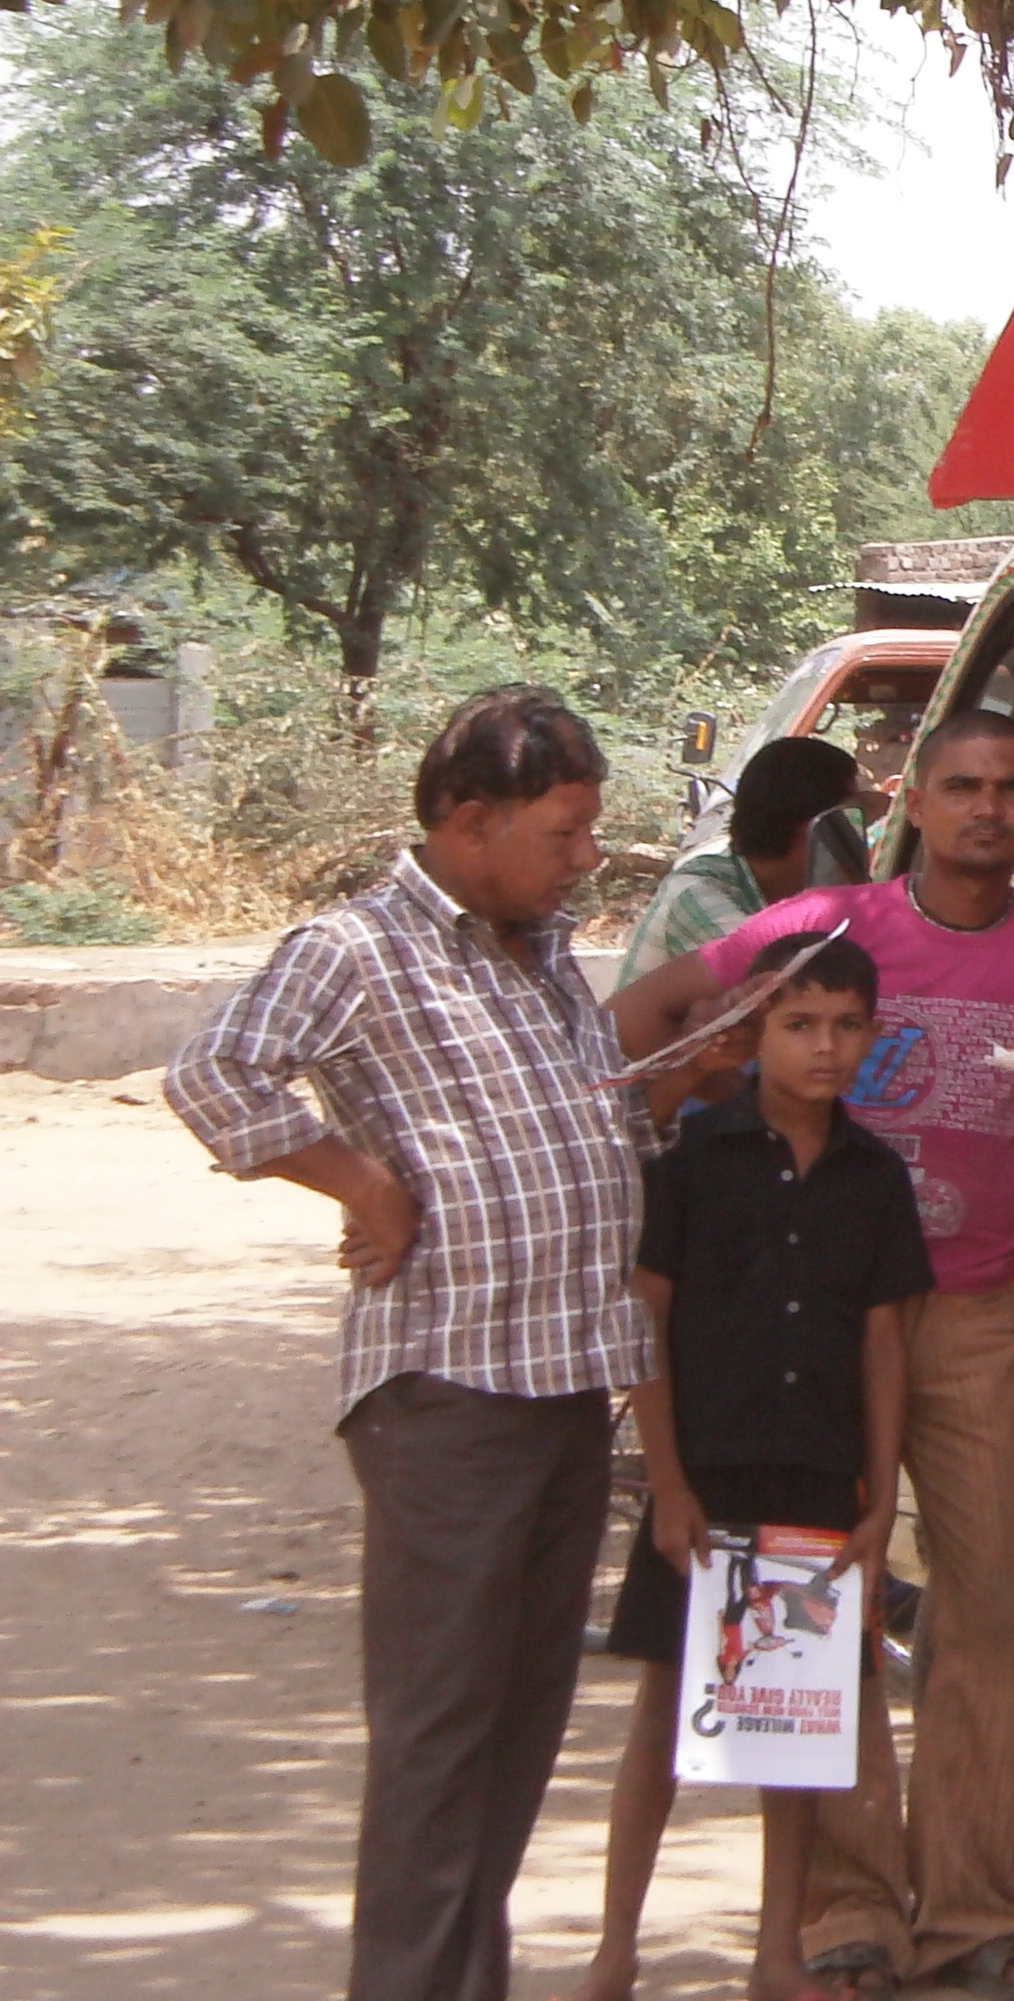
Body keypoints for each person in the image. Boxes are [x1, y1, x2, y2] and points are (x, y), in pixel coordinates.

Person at [618, 712, 1014, 2001]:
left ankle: (977, 1921)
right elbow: (652, 1009)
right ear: (915, 804)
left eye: (1013, 789)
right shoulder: (831, 927)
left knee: (987, 1615)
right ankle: (850, 1917)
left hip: (977, 1317)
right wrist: (663, 1114)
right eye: (962, 788)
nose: (988, 809)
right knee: (815, 1615)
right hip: (811, 1326)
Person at [166, 687, 647, 2001]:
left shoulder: (540, 945)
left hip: (562, 1384)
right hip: (450, 1392)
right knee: (439, 1747)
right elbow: (213, 1076)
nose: (585, 855)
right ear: (475, 821)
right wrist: (360, 1184)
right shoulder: (362, 945)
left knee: (514, 1743)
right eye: (565, 829)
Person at [572, 931, 932, 2001]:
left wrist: (878, 1500)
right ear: (755, 1031)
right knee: (660, 1709)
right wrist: (669, 1486)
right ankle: (613, 1949)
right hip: (710, 1472)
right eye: (799, 1024)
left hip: (819, 1478)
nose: (825, 1049)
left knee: (798, 1726)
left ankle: (780, 1953)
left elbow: (883, 1344)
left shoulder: (875, 1181)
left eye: (847, 1027)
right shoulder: (691, 1161)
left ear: (873, 1036)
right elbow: (650, 1318)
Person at [619, 735, 867, 986]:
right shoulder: (695, 891)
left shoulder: (794, 892)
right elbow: (798, 980)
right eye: (852, 819)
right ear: (815, 828)